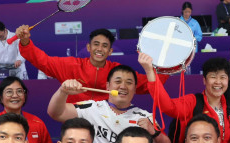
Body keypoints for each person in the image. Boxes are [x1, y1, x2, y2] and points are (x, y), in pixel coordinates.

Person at [47, 67, 172, 143]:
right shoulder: (91, 108)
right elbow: (56, 113)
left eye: (129, 82)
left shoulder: (146, 116)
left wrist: (153, 132)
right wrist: (62, 92)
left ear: (135, 89)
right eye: (118, 81)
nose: (123, 86)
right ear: (108, 86)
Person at [140, 54, 230, 143]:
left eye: (223, 77)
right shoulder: (193, 103)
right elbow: (167, 106)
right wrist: (150, 72)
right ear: (204, 80)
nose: (218, 82)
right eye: (213, 77)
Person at [15, 26, 162, 103]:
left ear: (110, 51)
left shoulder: (118, 71)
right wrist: (25, 42)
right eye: (96, 44)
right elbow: (43, 61)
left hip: (108, 123)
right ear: (88, 47)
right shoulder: (71, 65)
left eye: (105, 46)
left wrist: (166, 67)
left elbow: (148, 84)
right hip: (76, 121)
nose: (99, 49)